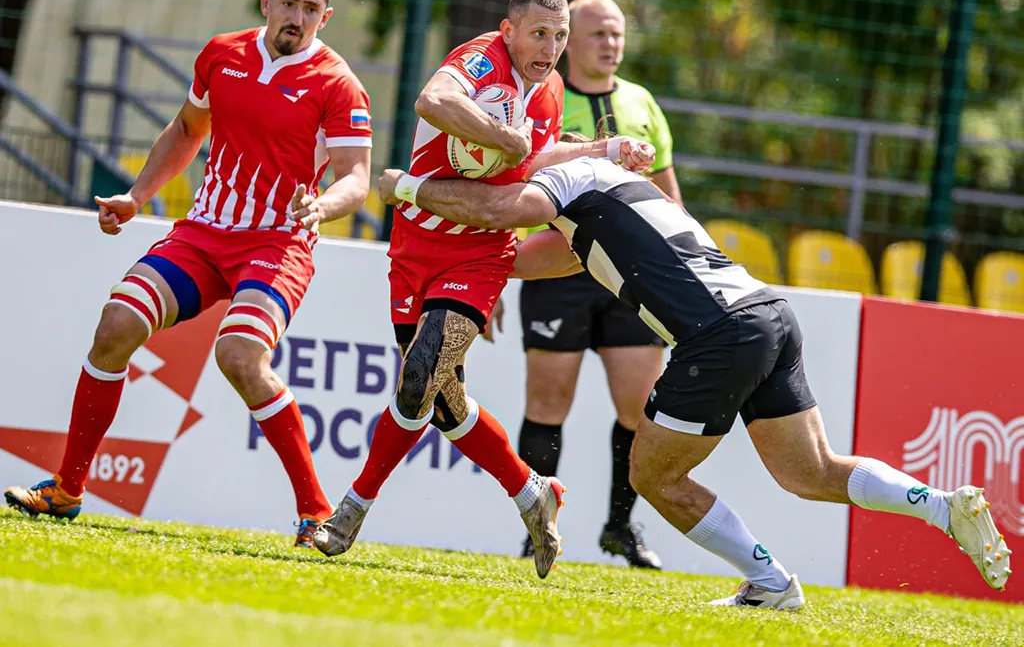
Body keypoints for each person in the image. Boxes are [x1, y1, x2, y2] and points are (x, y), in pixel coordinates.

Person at [375, 151, 1012, 608]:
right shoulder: (616, 195)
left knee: (652, 475)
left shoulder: (567, 177)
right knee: (810, 471)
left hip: (720, 334)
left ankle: (770, 584)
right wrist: (463, 272)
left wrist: (407, 187)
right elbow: (522, 257)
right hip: (768, 313)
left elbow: (498, 210)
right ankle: (942, 507)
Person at [4, 0, 373, 548]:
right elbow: (186, 130)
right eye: (288, 3)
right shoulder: (222, 53)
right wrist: (136, 195)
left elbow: (356, 176)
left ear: (324, 17)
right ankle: (67, 489)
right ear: (267, 2)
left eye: (311, 9)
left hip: (277, 242)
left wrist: (323, 207)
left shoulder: (337, 83)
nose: (297, 17)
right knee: (116, 325)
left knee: (240, 356)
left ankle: (315, 512)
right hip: (203, 234)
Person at [312, 0, 655, 579]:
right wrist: (503, 136)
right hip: (414, 245)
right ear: (508, 30)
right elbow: (432, 100)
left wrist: (606, 149)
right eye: (539, 34)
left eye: (559, 36)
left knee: (419, 377)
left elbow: (533, 160)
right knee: (443, 404)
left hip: (481, 251)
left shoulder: (549, 92)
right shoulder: (480, 60)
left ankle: (351, 508)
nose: (550, 47)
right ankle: (532, 491)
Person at [514, 0, 682, 569]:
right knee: (547, 402)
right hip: (557, 271)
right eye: (597, 34)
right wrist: (491, 275)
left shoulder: (641, 101)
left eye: (617, 35)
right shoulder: (540, 96)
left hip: (631, 277)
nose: (610, 44)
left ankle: (620, 526)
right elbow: (511, 186)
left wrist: (681, 271)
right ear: (568, 42)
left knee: (640, 410)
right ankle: (538, 527)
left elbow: (667, 194)